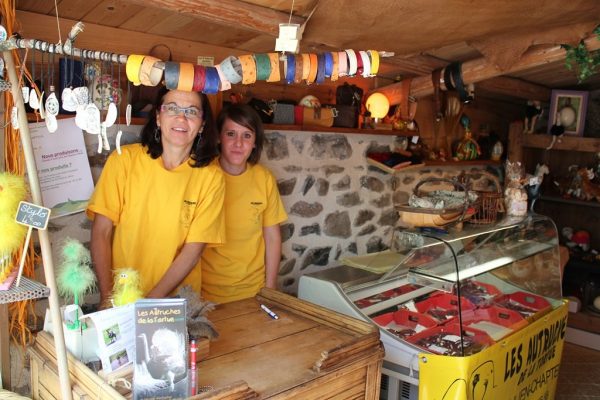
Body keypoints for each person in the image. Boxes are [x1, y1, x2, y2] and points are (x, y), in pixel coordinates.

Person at [87, 87, 225, 306]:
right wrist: (107, 297)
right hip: (122, 297)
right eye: (172, 108)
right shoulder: (124, 161)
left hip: (178, 302)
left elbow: (193, 251)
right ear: (158, 118)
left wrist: (148, 305)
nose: (181, 117)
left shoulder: (211, 177)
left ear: (202, 125)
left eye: (191, 111)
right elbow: (101, 231)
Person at [201, 104, 287, 303]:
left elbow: (272, 237)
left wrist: (270, 288)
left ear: (255, 142)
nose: (238, 143)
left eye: (247, 135)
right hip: (205, 293)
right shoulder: (203, 176)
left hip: (253, 291)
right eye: (231, 133)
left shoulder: (264, 178)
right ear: (218, 138)